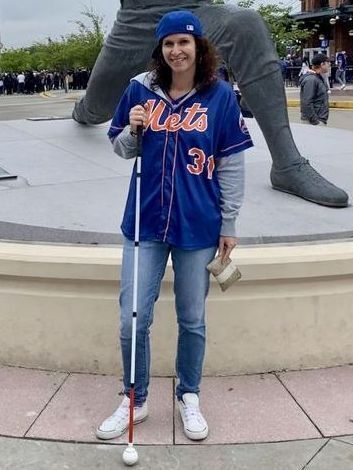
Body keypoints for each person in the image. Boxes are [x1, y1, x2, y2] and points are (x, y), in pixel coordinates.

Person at [96, 10, 253, 442]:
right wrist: (132, 130)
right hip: (145, 223)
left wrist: (230, 222)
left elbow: (231, 165)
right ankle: (135, 397)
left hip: (198, 225)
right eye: (168, 44)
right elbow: (121, 150)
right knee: (134, 316)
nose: (176, 50)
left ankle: (189, 395)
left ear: (198, 47)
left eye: (184, 42)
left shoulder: (219, 95)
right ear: (159, 50)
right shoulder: (139, 90)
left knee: (192, 319)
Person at [72, 0, 348, 208]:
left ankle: (287, 165)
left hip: (194, 11)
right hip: (137, 21)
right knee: (97, 110)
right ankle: (81, 110)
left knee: (245, 24)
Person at [299, 53, 330, 126]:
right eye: (328, 63)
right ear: (322, 64)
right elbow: (307, 102)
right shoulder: (311, 79)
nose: (329, 65)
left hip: (318, 120)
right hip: (313, 122)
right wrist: (316, 121)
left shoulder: (318, 77)